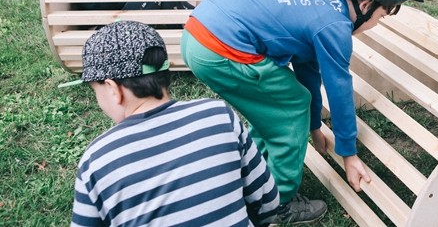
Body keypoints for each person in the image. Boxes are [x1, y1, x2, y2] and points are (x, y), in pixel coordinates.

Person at [180, 0, 424, 224]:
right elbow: (339, 89)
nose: (378, 23)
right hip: (220, 47)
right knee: (291, 107)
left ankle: (253, 175)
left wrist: (315, 126)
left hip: (200, 33)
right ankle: (276, 203)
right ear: (366, 4)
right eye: (384, 14)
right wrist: (349, 153)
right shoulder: (335, 27)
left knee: (272, 108)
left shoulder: (320, 2)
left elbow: (308, 70)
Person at [62, 20, 280, 227]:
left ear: (112, 88)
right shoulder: (219, 115)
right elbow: (269, 202)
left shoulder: (98, 159)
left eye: (95, 91)